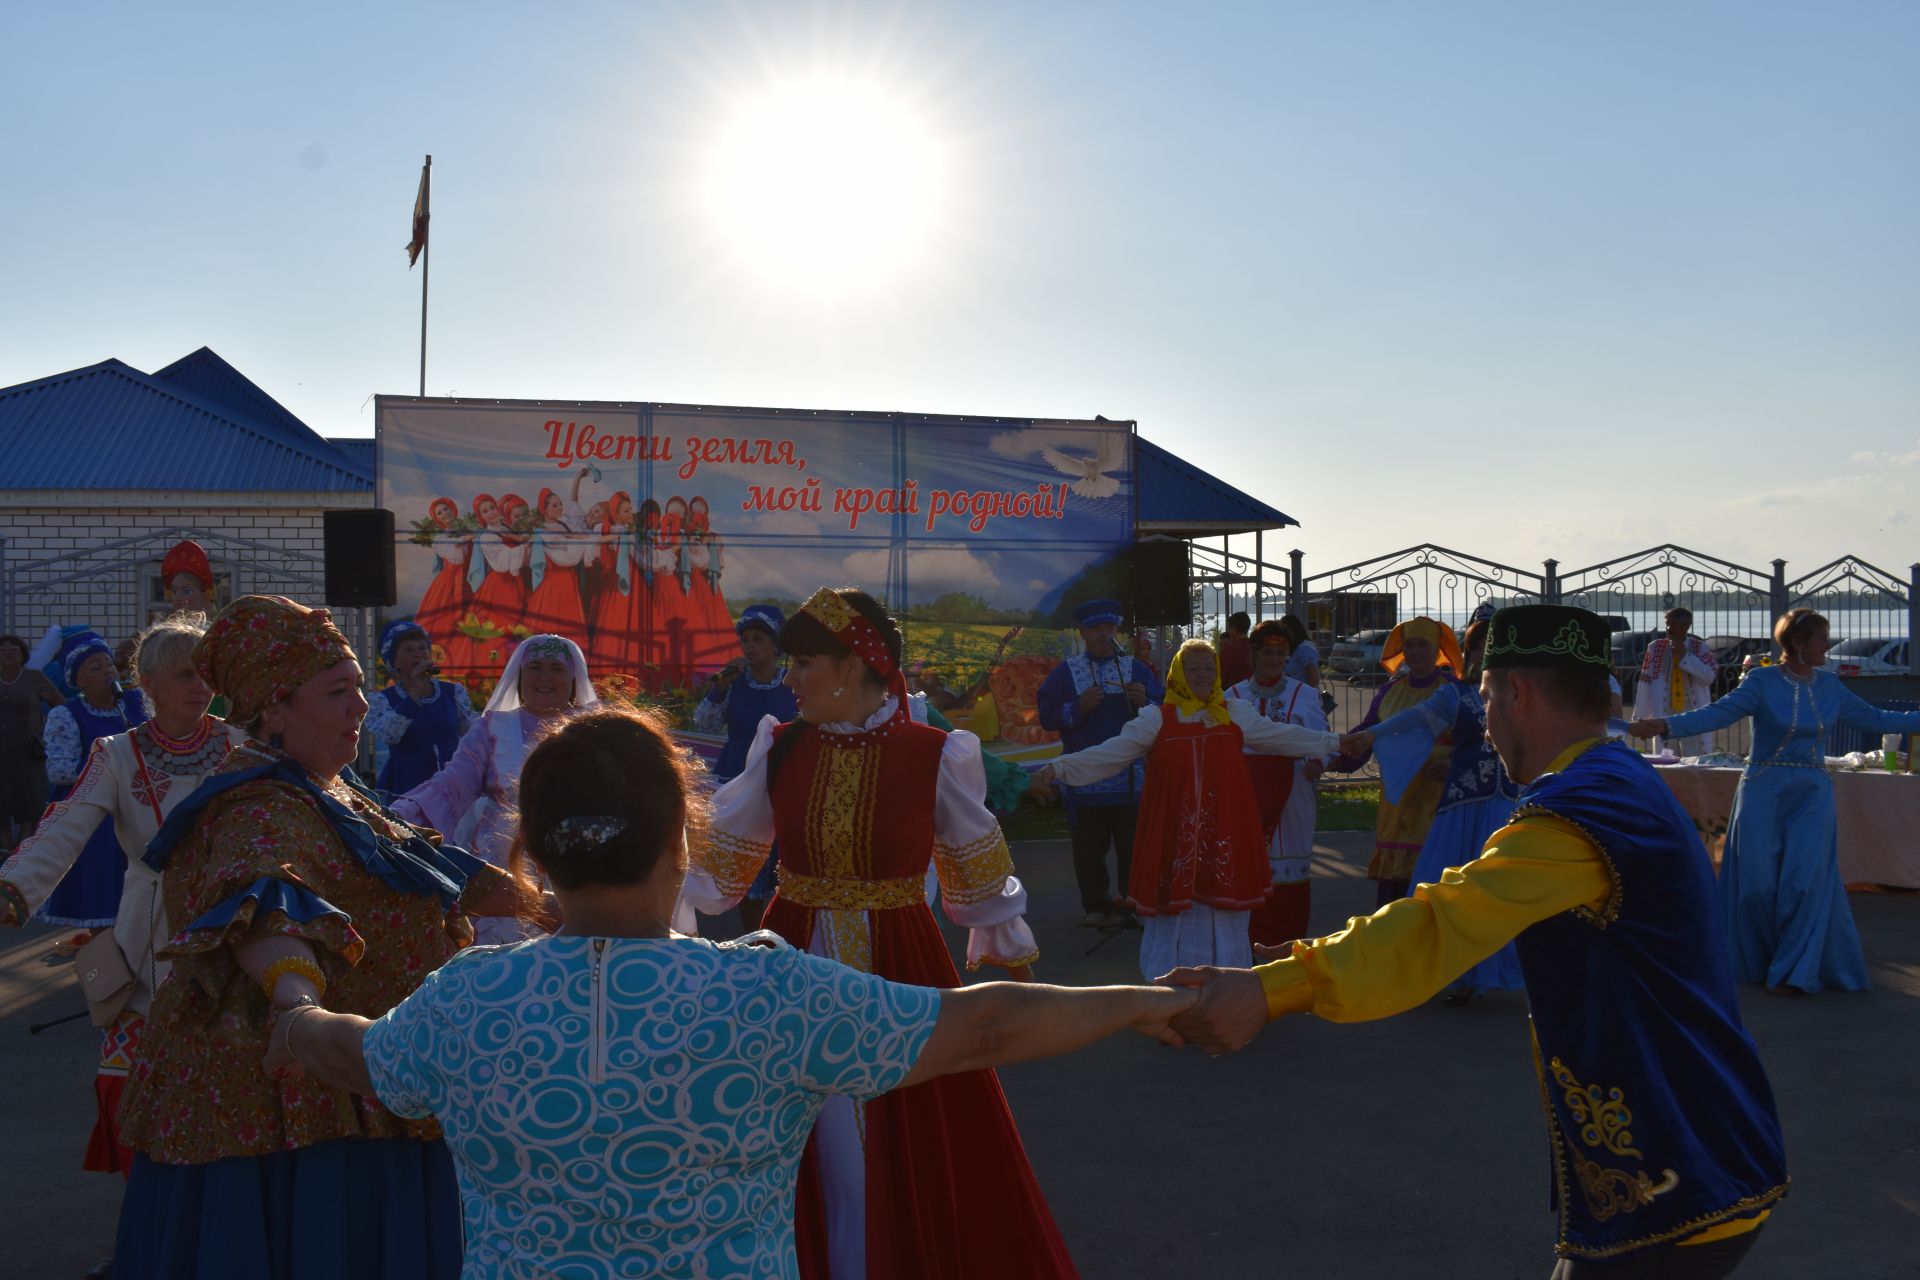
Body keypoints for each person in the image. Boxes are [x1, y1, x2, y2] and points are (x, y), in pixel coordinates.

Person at [262, 703, 1196, 1280]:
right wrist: (1152, 1001)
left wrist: (295, 1013)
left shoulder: (466, 1002)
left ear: (532, 856)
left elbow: (356, 1052)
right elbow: (989, 1022)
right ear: (684, 844)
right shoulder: (763, 992)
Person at [1163, 605, 1789, 1278]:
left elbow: (1440, 922)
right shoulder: (1623, 781)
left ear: (1516, 693)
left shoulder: (1585, 812)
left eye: (1487, 697)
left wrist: (1269, 991)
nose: (1483, 720)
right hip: (1683, 1156)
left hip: (1678, 1174)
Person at [677, 587, 1075, 1279]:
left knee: (911, 1129)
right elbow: (719, 863)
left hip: (900, 957)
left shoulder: (933, 753)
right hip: (792, 955)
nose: (791, 678)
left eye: (804, 663)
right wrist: (660, 926)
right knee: (799, 1126)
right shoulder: (781, 746)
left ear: (854, 667)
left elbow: (973, 858)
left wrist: (1006, 949)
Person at [113, 595, 513, 1280]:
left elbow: (431, 867)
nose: (361, 706)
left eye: (359, 686)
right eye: (338, 692)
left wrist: (575, 905)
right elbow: (265, 903)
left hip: (362, 1083)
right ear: (274, 710)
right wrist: (296, 1005)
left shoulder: (333, 789)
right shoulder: (256, 805)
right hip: (292, 1114)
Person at [1, 615, 246, 1178]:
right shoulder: (117, 754)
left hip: (235, 931)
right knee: (141, 1096)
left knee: (235, 1093)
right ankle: (148, 1234)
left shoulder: (242, 746)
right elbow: (65, 824)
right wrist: (13, 888)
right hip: (149, 938)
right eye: (185, 676)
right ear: (148, 687)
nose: (200, 687)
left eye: (207, 674)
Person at [1633, 608, 1920, 994]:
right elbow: (1719, 714)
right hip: (1764, 787)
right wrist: (1666, 725)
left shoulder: (1830, 686)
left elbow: (1879, 719)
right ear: (1798, 644)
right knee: (1757, 884)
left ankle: (1796, 971)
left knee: (1805, 881)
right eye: (1821, 638)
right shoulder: (1761, 681)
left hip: (1812, 793)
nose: (1827, 646)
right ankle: (1755, 961)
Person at [1037, 639, 1350, 978]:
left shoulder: (1235, 715)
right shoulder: (1157, 719)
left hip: (1224, 837)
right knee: (1177, 918)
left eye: (1209, 668)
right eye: (1194, 668)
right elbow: (1111, 753)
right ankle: (1175, 995)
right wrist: (1057, 769)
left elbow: (1283, 736)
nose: (1202, 674)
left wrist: (1335, 742)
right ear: (1177, 675)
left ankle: (1227, 993)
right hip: (1176, 841)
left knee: (1226, 916)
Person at [394, 634, 598, 944]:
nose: (544, 677)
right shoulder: (491, 728)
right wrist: (397, 818)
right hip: (505, 867)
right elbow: (451, 786)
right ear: (519, 675)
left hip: (581, 863)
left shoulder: (597, 729)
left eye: (556, 668)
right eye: (535, 668)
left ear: (574, 678)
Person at [1381, 617, 1525, 1004]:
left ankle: (1496, 972)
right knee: (1446, 892)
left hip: (1506, 806)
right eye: (1480, 646)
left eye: (1497, 646)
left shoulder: (1522, 694)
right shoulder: (1455, 694)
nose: (1487, 654)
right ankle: (1449, 973)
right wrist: (1369, 734)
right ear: (1471, 652)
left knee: (1504, 894)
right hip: (1461, 806)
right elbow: (1412, 720)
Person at [1035, 599, 1165, 928]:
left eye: (1109, 628)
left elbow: (1165, 711)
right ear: (1082, 631)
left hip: (1131, 779)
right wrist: (1078, 708)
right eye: (1096, 628)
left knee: (1132, 846)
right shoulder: (1066, 672)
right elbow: (1048, 716)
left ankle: (1134, 905)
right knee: (1088, 848)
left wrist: (1145, 702)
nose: (1104, 634)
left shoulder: (1137, 669)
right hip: (1084, 779)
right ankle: (1096, 905)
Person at [1328, 617, 1463, 906]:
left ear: (1437, 648)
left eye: (1422, 645)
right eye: (1409, 645)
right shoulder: (1390, 691)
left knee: (1434, 891)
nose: (1415, 652)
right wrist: (1329, 755)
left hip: (1437, 800)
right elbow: (1367, 734)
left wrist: (1454, 762)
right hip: (1397, 802)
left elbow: (1475, 740)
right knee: (1394, 897)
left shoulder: (1453, 690)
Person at [1224, 621, 1332, 947]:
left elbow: (1322, 740)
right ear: (1253, 656)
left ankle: (1287, 952)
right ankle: (1245, 953)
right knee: (1247, 870)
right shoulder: (1232, 696)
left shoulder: (1304, 695)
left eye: (1281, 654)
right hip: (1246, 796)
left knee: (1289, 872)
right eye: (1267, 653)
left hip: (1292, 796)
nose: (1274, 660)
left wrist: (1317, 762)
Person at [693, 604, 799, 928]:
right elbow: (705, 725)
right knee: (747, 864)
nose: (749, 646)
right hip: (738, 780)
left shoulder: (793, 684)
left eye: (758, 639)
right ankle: (753, 937)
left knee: (783, 863)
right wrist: (719, 688)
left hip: (782, 781)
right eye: (746, 639)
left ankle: (783, 934)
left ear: (776, 646)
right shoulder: (734, 684)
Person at [38, 631, 149, 927]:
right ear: (78, 680)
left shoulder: (136, 704)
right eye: (95, 668)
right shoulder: (67, 714)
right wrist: (112, 766)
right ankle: (105, 959)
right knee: (103, 899)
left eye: (108, 664)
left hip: (138, 805)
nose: (107, 671)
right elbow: (59, 771)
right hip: (95, 814)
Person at [365, 620, 477, 797]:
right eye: (409, 650)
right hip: (407, 789)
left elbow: (471, 733)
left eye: (423, 648)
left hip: (450, 787)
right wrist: (415, 694)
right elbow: (390, 735)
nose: (418, 655)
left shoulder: (452, 693)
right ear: (394, 662)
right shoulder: (382, 700)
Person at [0, 632, 62, 855]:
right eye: (3, 649)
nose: (8, 652)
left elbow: (59, 704)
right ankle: (5, 849)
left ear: (22, 654)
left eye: (13, 648)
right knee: (2, 800)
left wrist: (49, 730)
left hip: (29, 749)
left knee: (30, 796)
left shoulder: (34, 677)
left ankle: (24, 848)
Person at [1633, 608, 1718, 755]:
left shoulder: (1700, 648)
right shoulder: (1655, 648)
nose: (1668, 628)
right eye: (1667, 624)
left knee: (1694, 755)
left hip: (1692, 710)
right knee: (1666, 755)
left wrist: (1685, 656)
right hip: (1665, 710)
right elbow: (1645, 684)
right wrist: (1641, 718)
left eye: (1673, 624)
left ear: (1685, 627)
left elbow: (1708, 677)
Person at [524, 472, 594, 641]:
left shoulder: (563, 525)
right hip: (554, 583)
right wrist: (585, 539)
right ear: (545, 509)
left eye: (559, 504)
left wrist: (577, 479)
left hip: (568, 581)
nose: (560, 508)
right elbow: (567, 551)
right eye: (554, 506)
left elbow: (573, 506)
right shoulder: (543, 532)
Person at [411, 496, 474, 644]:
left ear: (453, 509)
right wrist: (464, 540)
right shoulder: (441, 538)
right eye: (439, 513)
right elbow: (453, 554)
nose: (444, 513)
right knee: (445, 615)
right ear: (437, 518)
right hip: (449, 580)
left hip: (467, 580)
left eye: (445, 509)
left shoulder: (466, 531)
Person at [160, 540, 215, 616]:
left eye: (187, 591)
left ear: (204, 594)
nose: (178, 598)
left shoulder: (216, 627)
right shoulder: (167, 627)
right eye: (174, 591)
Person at [1217, 610, 1253, 688]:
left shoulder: (1228, 650)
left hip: (1232, 693)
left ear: (1233, 627)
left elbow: (1220, 677)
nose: (1229, 632)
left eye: (1229, 628)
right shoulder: (1256, 648)